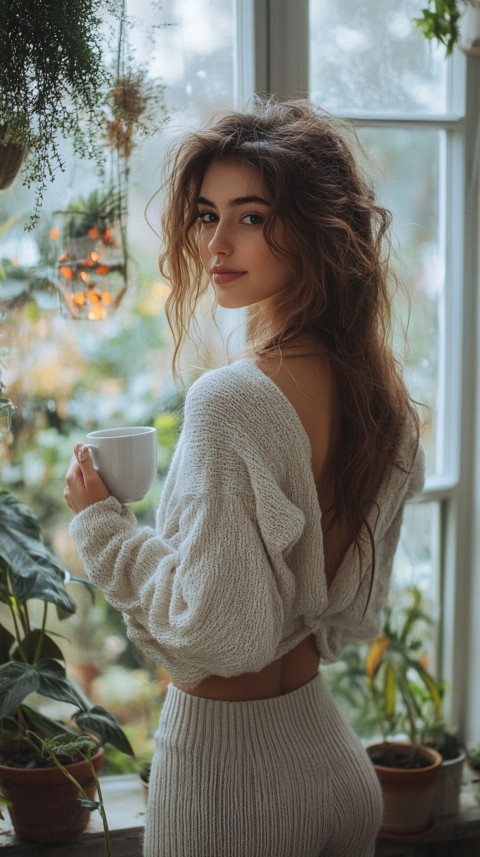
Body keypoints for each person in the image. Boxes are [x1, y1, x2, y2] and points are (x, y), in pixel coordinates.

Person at [64, 98, 424, 857]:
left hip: (233, 788)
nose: (217, 242)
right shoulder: (379, 395)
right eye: (205, 214)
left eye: (251, 216)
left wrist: (105, 529)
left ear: (317, 226)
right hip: (329, 755)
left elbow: (217, 633)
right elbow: (349, 610)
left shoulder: (230, 399)